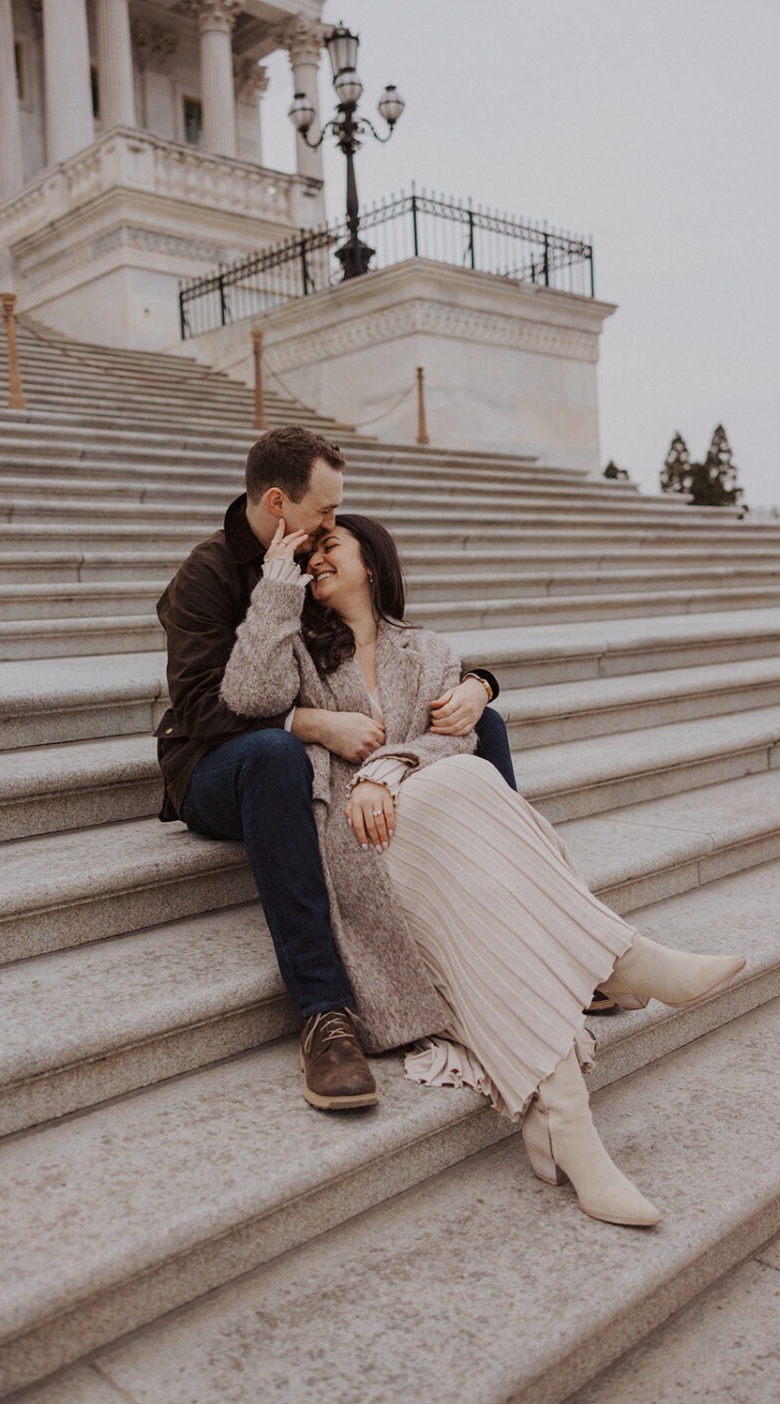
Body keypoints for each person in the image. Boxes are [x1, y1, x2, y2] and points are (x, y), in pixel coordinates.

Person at [219, 513, 747, 1227]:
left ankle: (571, 1129)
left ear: (371, 562)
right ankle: (619, 959)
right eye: (306, 556)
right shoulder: (300, 655)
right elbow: (247, 699)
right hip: (359, 840)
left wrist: (386, 767)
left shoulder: (431, 651)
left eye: (327, 547)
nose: (314, 560)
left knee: (476, 831)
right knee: (473, 792)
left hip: (431, 825)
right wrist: (277, 581)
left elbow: (454, 741)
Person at [156, 426, 515, 1113]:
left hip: (320, 755)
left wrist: (479, 684)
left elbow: (395, 652)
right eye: (323, 511)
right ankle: (326, 1014)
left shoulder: (319, 564)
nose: (332, 524)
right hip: (214, 766)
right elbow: (202, 705)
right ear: (276, 502)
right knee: (275, 753)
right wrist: (311, 722)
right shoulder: (207, 576)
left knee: (483, 727)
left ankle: (527, 928)